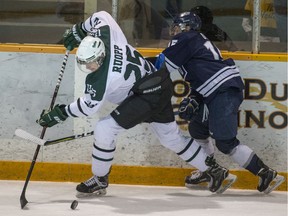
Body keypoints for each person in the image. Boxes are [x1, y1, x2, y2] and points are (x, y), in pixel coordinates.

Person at [36, 11, 236, 197]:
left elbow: (89, 106)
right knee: (170, 138)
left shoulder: (102, 78)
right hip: (159, 82)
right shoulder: (108, 38)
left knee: (105, 128)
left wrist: (61, 113)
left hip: (147, 93)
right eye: (85, 63)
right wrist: (81, 29)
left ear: (100, 56)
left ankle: (99, 179)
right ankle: (214, 170)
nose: (89, 67)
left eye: (92, 63)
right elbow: (102, 16)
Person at [159, 11, 284, 193]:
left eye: (177, 27)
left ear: (186, 27)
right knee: (198, 129)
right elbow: (203, 75)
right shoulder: (196, 39)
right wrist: (194, 97)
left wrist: (139, 67)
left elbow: (162, 65)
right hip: (218, 89)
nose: (174, 31)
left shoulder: (185, 38)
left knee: (225, 141)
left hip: (222, 91)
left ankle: (265, 173)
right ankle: (208, 170)